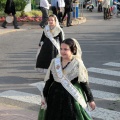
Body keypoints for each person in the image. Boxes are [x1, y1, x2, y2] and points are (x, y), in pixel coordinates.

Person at [38, 38, 96, 120]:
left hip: (70, 96)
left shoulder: (78, 64)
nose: (62, 51)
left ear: (73, 50)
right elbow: (49, 80)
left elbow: (84, 83)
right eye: (61, 49)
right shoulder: (55, 62)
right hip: (55, 95)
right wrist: (44, 96)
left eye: (66, 49)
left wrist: (91, 100)